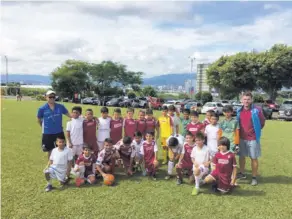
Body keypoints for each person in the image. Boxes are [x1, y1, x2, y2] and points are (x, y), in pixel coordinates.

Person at [236, 92, 265, 186]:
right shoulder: (238, 110)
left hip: (253, 138)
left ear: (251, 100)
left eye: (248, 99)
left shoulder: (257, 110)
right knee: (241, 156)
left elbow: (262, 122)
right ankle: (242, 173)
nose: (246, 101)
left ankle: (254, 177)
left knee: (253, 158)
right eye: (244, 99)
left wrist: (255, 131)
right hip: (241, 137)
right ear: (241, 100)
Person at [37, 90, 70, 160]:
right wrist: (44, 127)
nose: (52, 98)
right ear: (46, 97)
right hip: (48, 133)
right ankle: (50, 166)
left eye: (53, 97)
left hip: (59, 132)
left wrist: (83, 117)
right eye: (50, 97)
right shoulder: (42, 109)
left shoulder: (60, 106)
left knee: (62, 149)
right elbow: (39, 119)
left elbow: (70, 115)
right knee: (50, 151)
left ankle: (61, 163)